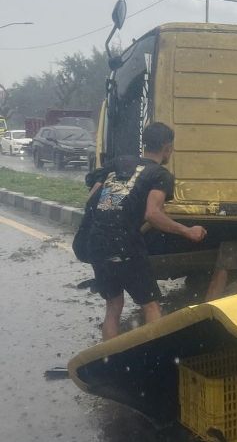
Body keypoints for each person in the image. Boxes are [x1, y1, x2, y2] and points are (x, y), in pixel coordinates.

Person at [86, 122, 207, 340]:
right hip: (124, 245)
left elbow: (91, 199)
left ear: (145, 143)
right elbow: (153, 214)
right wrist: (188, 231)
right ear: (168, 148)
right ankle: (156, 357)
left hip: (97, 241)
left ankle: (109, 361)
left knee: (113, 305)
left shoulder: (118, 163)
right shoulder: (160, 175)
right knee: (150, 305)